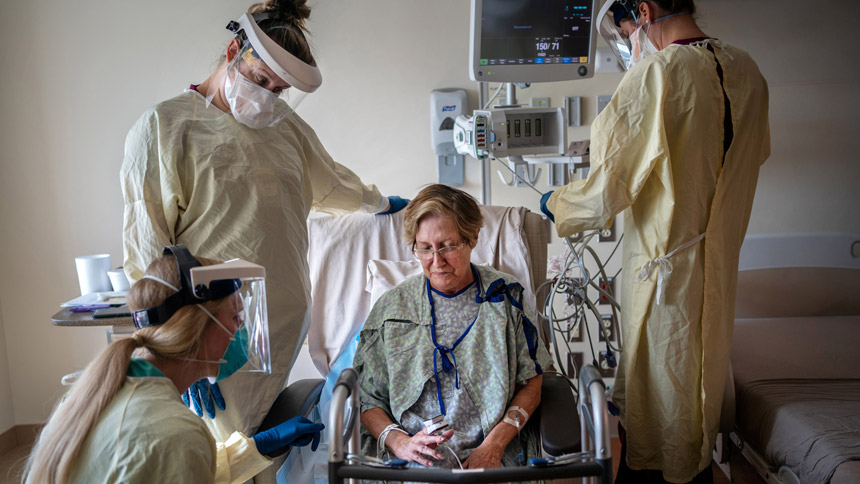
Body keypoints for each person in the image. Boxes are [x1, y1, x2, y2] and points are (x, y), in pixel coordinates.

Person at [120, 0, 408, 448]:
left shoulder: (285, 128)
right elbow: (147, 249)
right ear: (234, 50)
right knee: (215, 448)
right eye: (259, 80)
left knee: (260, 447)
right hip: (210, 327)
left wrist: (379, 202)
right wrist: (175, 348)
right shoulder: (165, 127)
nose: (266, 97)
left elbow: (331, 182)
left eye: (278, 89)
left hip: (282, 321)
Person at [541, 1, 770, 483]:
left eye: (625, 31)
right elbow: (752, 156)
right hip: (718, 271)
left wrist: (556, 204)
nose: (629, 43)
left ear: (642, 12)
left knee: (659, 416)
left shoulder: (657, 74)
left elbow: (606, 188)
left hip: (666, 282)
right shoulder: (747, 70)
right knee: (696, 406)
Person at [22, 246, 324, 484]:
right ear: (199, 328)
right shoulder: (174, 434)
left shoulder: (96, 393)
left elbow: (161, 467)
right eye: (236, 319)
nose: (240, 332)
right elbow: (171, 453)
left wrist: (258, 446)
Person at [354, 184, 553, 469]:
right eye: (425, 249)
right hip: (413, 464)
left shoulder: (506, 298)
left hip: (493, 458)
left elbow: (532, 381)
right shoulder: (391, 310)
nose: (437, 262)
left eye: (447, 246)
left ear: (472, 238)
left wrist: (493, 447)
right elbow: (367, 397)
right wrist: (402, 444)